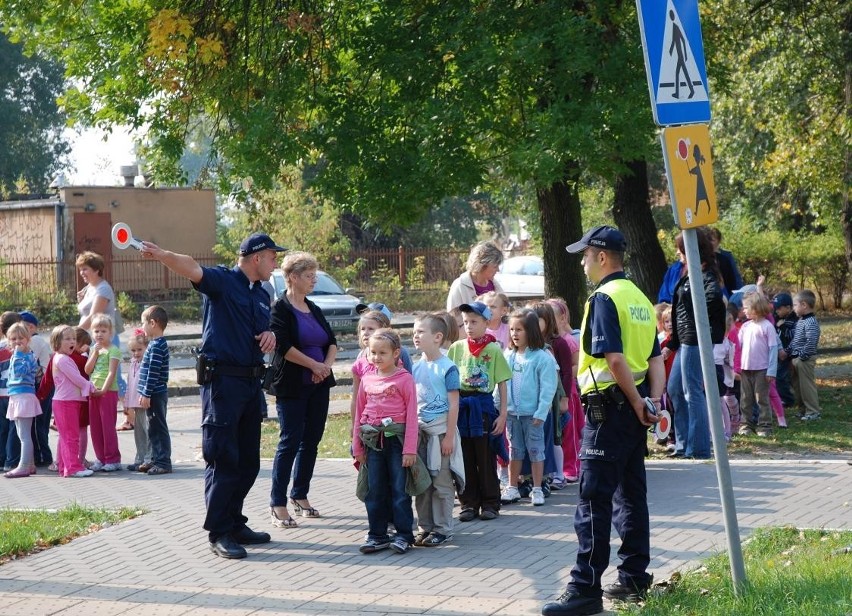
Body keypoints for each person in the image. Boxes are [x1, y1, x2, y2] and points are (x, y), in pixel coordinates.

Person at [542, 225, 663, 616]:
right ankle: (633, 578)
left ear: (602, 257)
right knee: (631, 494)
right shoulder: (641, 299)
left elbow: (613, 359)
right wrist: (651, 402)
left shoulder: (604, 298)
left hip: (608, 409)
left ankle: (584, 589)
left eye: (585, 255)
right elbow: (656, 359)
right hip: (634, 408)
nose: (581, 262)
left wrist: (633, 399)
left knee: (594, 498)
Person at [140, 231, 283, 559]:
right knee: (223, 458)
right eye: (273, 257)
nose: (275, 264)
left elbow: (263, 331)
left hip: (250, 384)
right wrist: (162, 254)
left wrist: (270, 336)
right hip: (222, 384)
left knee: (248, 462)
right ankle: (219, 532)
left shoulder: (262, 293)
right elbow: (191, 267)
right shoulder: (223, 281)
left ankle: (234, 522)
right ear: (256, 257)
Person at [266, 252, 338, 528]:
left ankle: (300, 495)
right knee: (290, 441)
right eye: (309, 276)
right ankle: (278, 503)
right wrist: (313, 365)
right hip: (293, 385)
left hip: (319, 384)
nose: (313, 280)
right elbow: (282, 347)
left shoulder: (313, 307)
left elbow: (331, 341)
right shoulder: (279, 308)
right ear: (293, 277)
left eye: (314, 275)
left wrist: (325, 367)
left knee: (312, 441)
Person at [353, 328, 418, 554]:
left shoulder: (405, 379)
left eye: (382, 353)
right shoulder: (367, 378)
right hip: (372, 443)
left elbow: (411, 416)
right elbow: (359, 414)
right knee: (374, 490)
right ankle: (377, 535)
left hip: (397, 443)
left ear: (396, 353)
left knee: (400, 491)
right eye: (373, 352)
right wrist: (357, 446)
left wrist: (410, 450)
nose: (377, 357)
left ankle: (403, 535)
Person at [447, 301, 511, 522]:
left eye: (474, 321)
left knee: (485, 456)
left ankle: (491, 502)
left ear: (486, 322)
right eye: (466, 322)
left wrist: (502, 414)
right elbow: (449, 380)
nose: (469, 326)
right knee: (464, 456)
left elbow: (502, 382)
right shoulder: (457, 348)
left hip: (483, 407)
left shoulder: (493, 349)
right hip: (462, 407)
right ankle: (468, 503)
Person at [666, 229, 725, 460]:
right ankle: (683, 443)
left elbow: (713, 301)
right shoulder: (690, 274)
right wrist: (671, 344)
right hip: (685, 341)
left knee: (692, 392)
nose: (677, 253)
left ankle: (698, 448)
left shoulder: (706, 275)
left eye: (680, 248)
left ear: (691, 249)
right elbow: (678, 311)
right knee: (675, 389)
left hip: (696, 340)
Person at [412, 314, 463, 547]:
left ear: (438, 337)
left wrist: (449, 437)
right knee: (422, 483)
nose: (415, 335)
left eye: (421, 331)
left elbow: (454, 403)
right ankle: (425, 527)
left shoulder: (447, 367)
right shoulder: (416, 366)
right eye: (414, 331)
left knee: (441, 484)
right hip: (421, 434)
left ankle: (443, 528)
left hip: (441, 433)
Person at [498, 309, 557, 507]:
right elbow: (501, 383)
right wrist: (500, 408)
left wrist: (541, 413)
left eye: (520, 329)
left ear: (530, 331)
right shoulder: (508, 356)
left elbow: (548, 388)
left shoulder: (542, 357)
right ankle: (512, 487)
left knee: (535, 450)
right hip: (513, 414)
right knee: (515, 450)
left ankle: (538, 487)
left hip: (533, 415)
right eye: (512, 329)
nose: (514, 334)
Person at [75, 251, 127, 413]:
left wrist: (73, 333)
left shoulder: (103, 289)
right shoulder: (90, 288)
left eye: (85, 269)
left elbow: (93, 316)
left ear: (96, 269)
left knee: (115, 377)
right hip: (93, 340)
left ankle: (130, 413)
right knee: (96, 374)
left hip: (106, 340)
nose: (82, 273)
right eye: (80, 269)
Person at [48, 325, 95, 478]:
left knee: (65, 436)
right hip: (66, 403)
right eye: (67, 339)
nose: (72, 341)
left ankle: (65, 466)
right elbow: (77, 378)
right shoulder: (62, 359)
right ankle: (73, 467)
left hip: (66, 402)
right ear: (57, 341)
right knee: (71, 436)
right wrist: (90, 386)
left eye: (73, 338)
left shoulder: (60, 358)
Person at [547, 298, 583, 483]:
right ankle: (556, 468)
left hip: (567, 393)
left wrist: (561, 377)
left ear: (562, 318)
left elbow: (576, 366)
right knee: (556, 432)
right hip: (550, 394)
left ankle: (572, 467)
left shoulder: (568, 341)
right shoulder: (545, 342)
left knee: (569, 431)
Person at [735, 293, 778, 437]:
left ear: (756, 308)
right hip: (746, 369)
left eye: (746, 307)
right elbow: (738, 346)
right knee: (745, 398)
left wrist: (771, 371)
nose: (744, 310)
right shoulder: (745, 326)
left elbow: (773, 349)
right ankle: (746, 424)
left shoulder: (767, 327)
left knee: (761, 398)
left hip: (762, 369)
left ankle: (765, 426)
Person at [84, 313, 122, 472]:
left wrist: (104, 390)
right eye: (96, 331)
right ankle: (100, 458)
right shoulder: (94, 350)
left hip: (108, 392)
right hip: (93, 392)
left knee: (107, 427)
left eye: (103, 331)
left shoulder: (113, 350)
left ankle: (113, 459)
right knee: (95, 427)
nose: (99, 334)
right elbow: (87, 370)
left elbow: (112, 373)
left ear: (110, 333)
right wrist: (94, 353)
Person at [3, 323, 42, 478]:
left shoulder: (26, 356)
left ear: (28, 339)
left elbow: (19, 373)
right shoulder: (17, 356)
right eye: (13, 339)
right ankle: (30, 464)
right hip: (17, 396)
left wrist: (18, 355)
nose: (17, 342)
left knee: (24, 435)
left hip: (24, 397)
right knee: (21, 433)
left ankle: (24, 465)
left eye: (21, 338)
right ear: (8, 341)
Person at [138, 305, 172, 475]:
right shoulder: (154, 344)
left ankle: (163, 461)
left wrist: (146, 393)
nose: (141, 326)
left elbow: (153, 372)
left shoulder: (157, 346)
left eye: (142, 322)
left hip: (155, 393)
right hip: (153, 393)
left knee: (158, 427)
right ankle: (155, 458)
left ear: (153, 323)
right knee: (153, 428)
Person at [18, 311, 53, 467]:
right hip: (42, 385)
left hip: (42, 386)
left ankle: (42, 456)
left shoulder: (36, 340)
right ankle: (40, 454)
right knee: (40, 423)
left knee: (39, 422)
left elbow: (29, 358)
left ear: (31, 327)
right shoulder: (35, 339)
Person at [781, 290, 821, 421]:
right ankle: (803, 409)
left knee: (806, 386)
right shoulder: (801, 321)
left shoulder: (811, 322)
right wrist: (787, 351)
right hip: (796, 359)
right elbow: (796, 341)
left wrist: (801, 357)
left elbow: (811, 342)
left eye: (795, 305)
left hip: (805, 359)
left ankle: (813, 411)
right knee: (798, 387)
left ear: (804, 305)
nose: (793, 308)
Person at [446, 241, 505, 311]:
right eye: (495, 266)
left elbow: (505, 313)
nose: (498, 270)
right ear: (482, 265)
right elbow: (453, 318)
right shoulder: (459, 286)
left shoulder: (495, 286)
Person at [124, 329, 152, 472]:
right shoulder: (133, 363)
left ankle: (149, 458)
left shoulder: (147, 363)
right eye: (133, 350)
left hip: (144, 402)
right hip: (135, 403)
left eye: (139, 349)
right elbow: (129, 383)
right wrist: (126, 403)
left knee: (148, 430)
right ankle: (139, 458)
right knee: (138, 432)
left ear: (146, 347)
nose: (136, 353)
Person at [0, 312, 22, 472]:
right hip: (14, 394)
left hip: (1, 394)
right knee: (15, 428)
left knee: (3, 428)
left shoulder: (2, 347)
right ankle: (12, 460)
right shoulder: (20, 349)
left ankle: (2, 459)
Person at [772, 293, 797, 408]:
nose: (776, 311)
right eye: (775, 308)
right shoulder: (778, 318)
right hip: (778, 352)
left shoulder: (794, 320)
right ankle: (783, 396)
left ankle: (788, 399)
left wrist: (783, 327)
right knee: (780, 376)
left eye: (779, 308)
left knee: (780, 377)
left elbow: (794, 336)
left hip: (787, 354)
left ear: (788, 307)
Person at [709, 228, 744, 299]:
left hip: (727, 291)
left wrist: (738, 294)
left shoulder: (726, 256)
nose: (709, 242)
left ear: (718, 241)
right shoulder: (703, 256)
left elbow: (735, 276)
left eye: (712, 240)